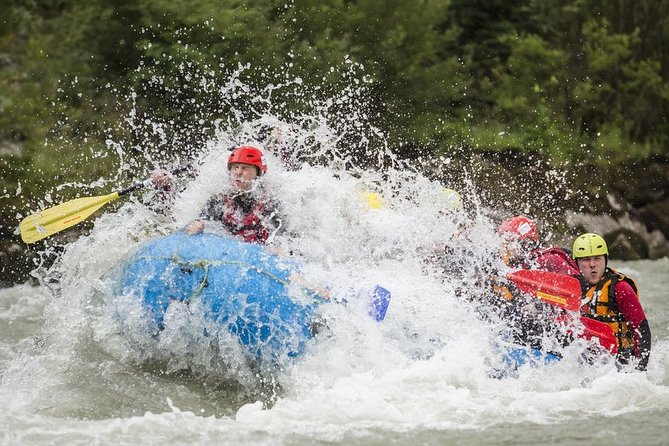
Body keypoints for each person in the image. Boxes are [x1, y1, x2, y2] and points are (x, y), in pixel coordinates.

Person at [152, 145, 283, 244]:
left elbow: (281, 240)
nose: (238, 173)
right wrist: (165, 188)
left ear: (258, 174)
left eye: (245, 168)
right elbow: (184, 220)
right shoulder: (220, 199)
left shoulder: (269, 204)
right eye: (235, 167)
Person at [572, 233, 651, 371]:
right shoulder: (574, 287)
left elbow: (642, 330)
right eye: (586, 260)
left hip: (620, 361)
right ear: (576, 263)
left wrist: (639, 369)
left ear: (605, 259)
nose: (592, 265)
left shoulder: (620, 288)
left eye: (597, 258)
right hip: (587, 359)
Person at [497, 215, 579, 275]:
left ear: (525, 243)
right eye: (503, 242)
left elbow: (578, 284)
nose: (504, 247)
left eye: (508, 242)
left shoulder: (548, 259)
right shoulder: (510, 266)